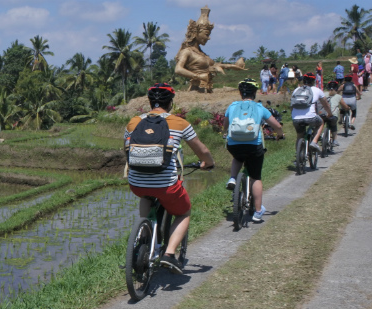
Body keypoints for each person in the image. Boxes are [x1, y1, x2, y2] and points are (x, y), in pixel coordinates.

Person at [124, 83, 215, 274]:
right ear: (170, 102)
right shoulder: (180, 123)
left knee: (146, 194)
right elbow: (202, 150)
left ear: (150, 102)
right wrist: (208, 162)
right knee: (184, 212)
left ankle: (144, 233)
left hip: (136, 183)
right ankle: (169, 255)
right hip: (166, 186)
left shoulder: (133, 122)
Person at [224, 79, 284, 222]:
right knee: (256, 177)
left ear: (241, 93)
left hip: (234, 144)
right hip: (254, 146)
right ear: (254, 93)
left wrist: (224, 132)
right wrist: (280, 134)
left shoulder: (232, 106)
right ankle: (257, 212)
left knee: (238, 157)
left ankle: (233, 178)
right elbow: (277, 126)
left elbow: (225, 125)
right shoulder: (259, 108)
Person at [290, 72, 332, 154]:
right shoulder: (317, 90)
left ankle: (298, 155)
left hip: (295, 118)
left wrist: (293, 116)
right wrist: (329, 113)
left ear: (303, 81)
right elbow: (326, 104)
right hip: (311, 117)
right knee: (320, 123)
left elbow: (291, 105)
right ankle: (314, 142)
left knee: (299, 135)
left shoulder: (296, 90)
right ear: (313, 81)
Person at [324, 81, 350, 146]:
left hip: (324, 114)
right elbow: (344, 105)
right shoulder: (338, 96)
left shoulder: (324, 94)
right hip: (333, 115)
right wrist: (348, 108)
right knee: (334, 126)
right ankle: (335, 140)